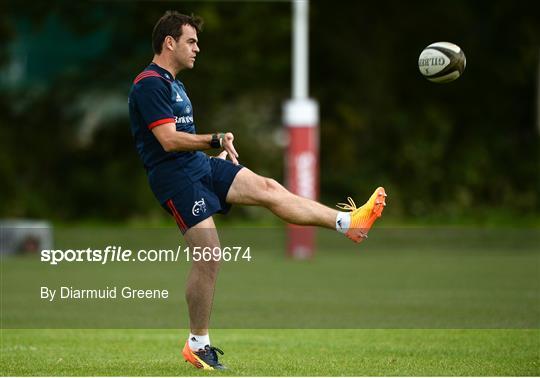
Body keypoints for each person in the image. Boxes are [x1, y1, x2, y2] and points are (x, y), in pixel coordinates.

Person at [128, 10, 387, 371]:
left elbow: (182, 139)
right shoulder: (149, 84)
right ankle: (197, 344)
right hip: (175, 178)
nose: (197, 48)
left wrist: (211, 151)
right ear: (169, 42)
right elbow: (169, 141)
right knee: (209, 254)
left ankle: (349, 222)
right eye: (191, 41)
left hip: (198, 166)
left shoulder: (176, 85)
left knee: (268, 187)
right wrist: (213, 139)